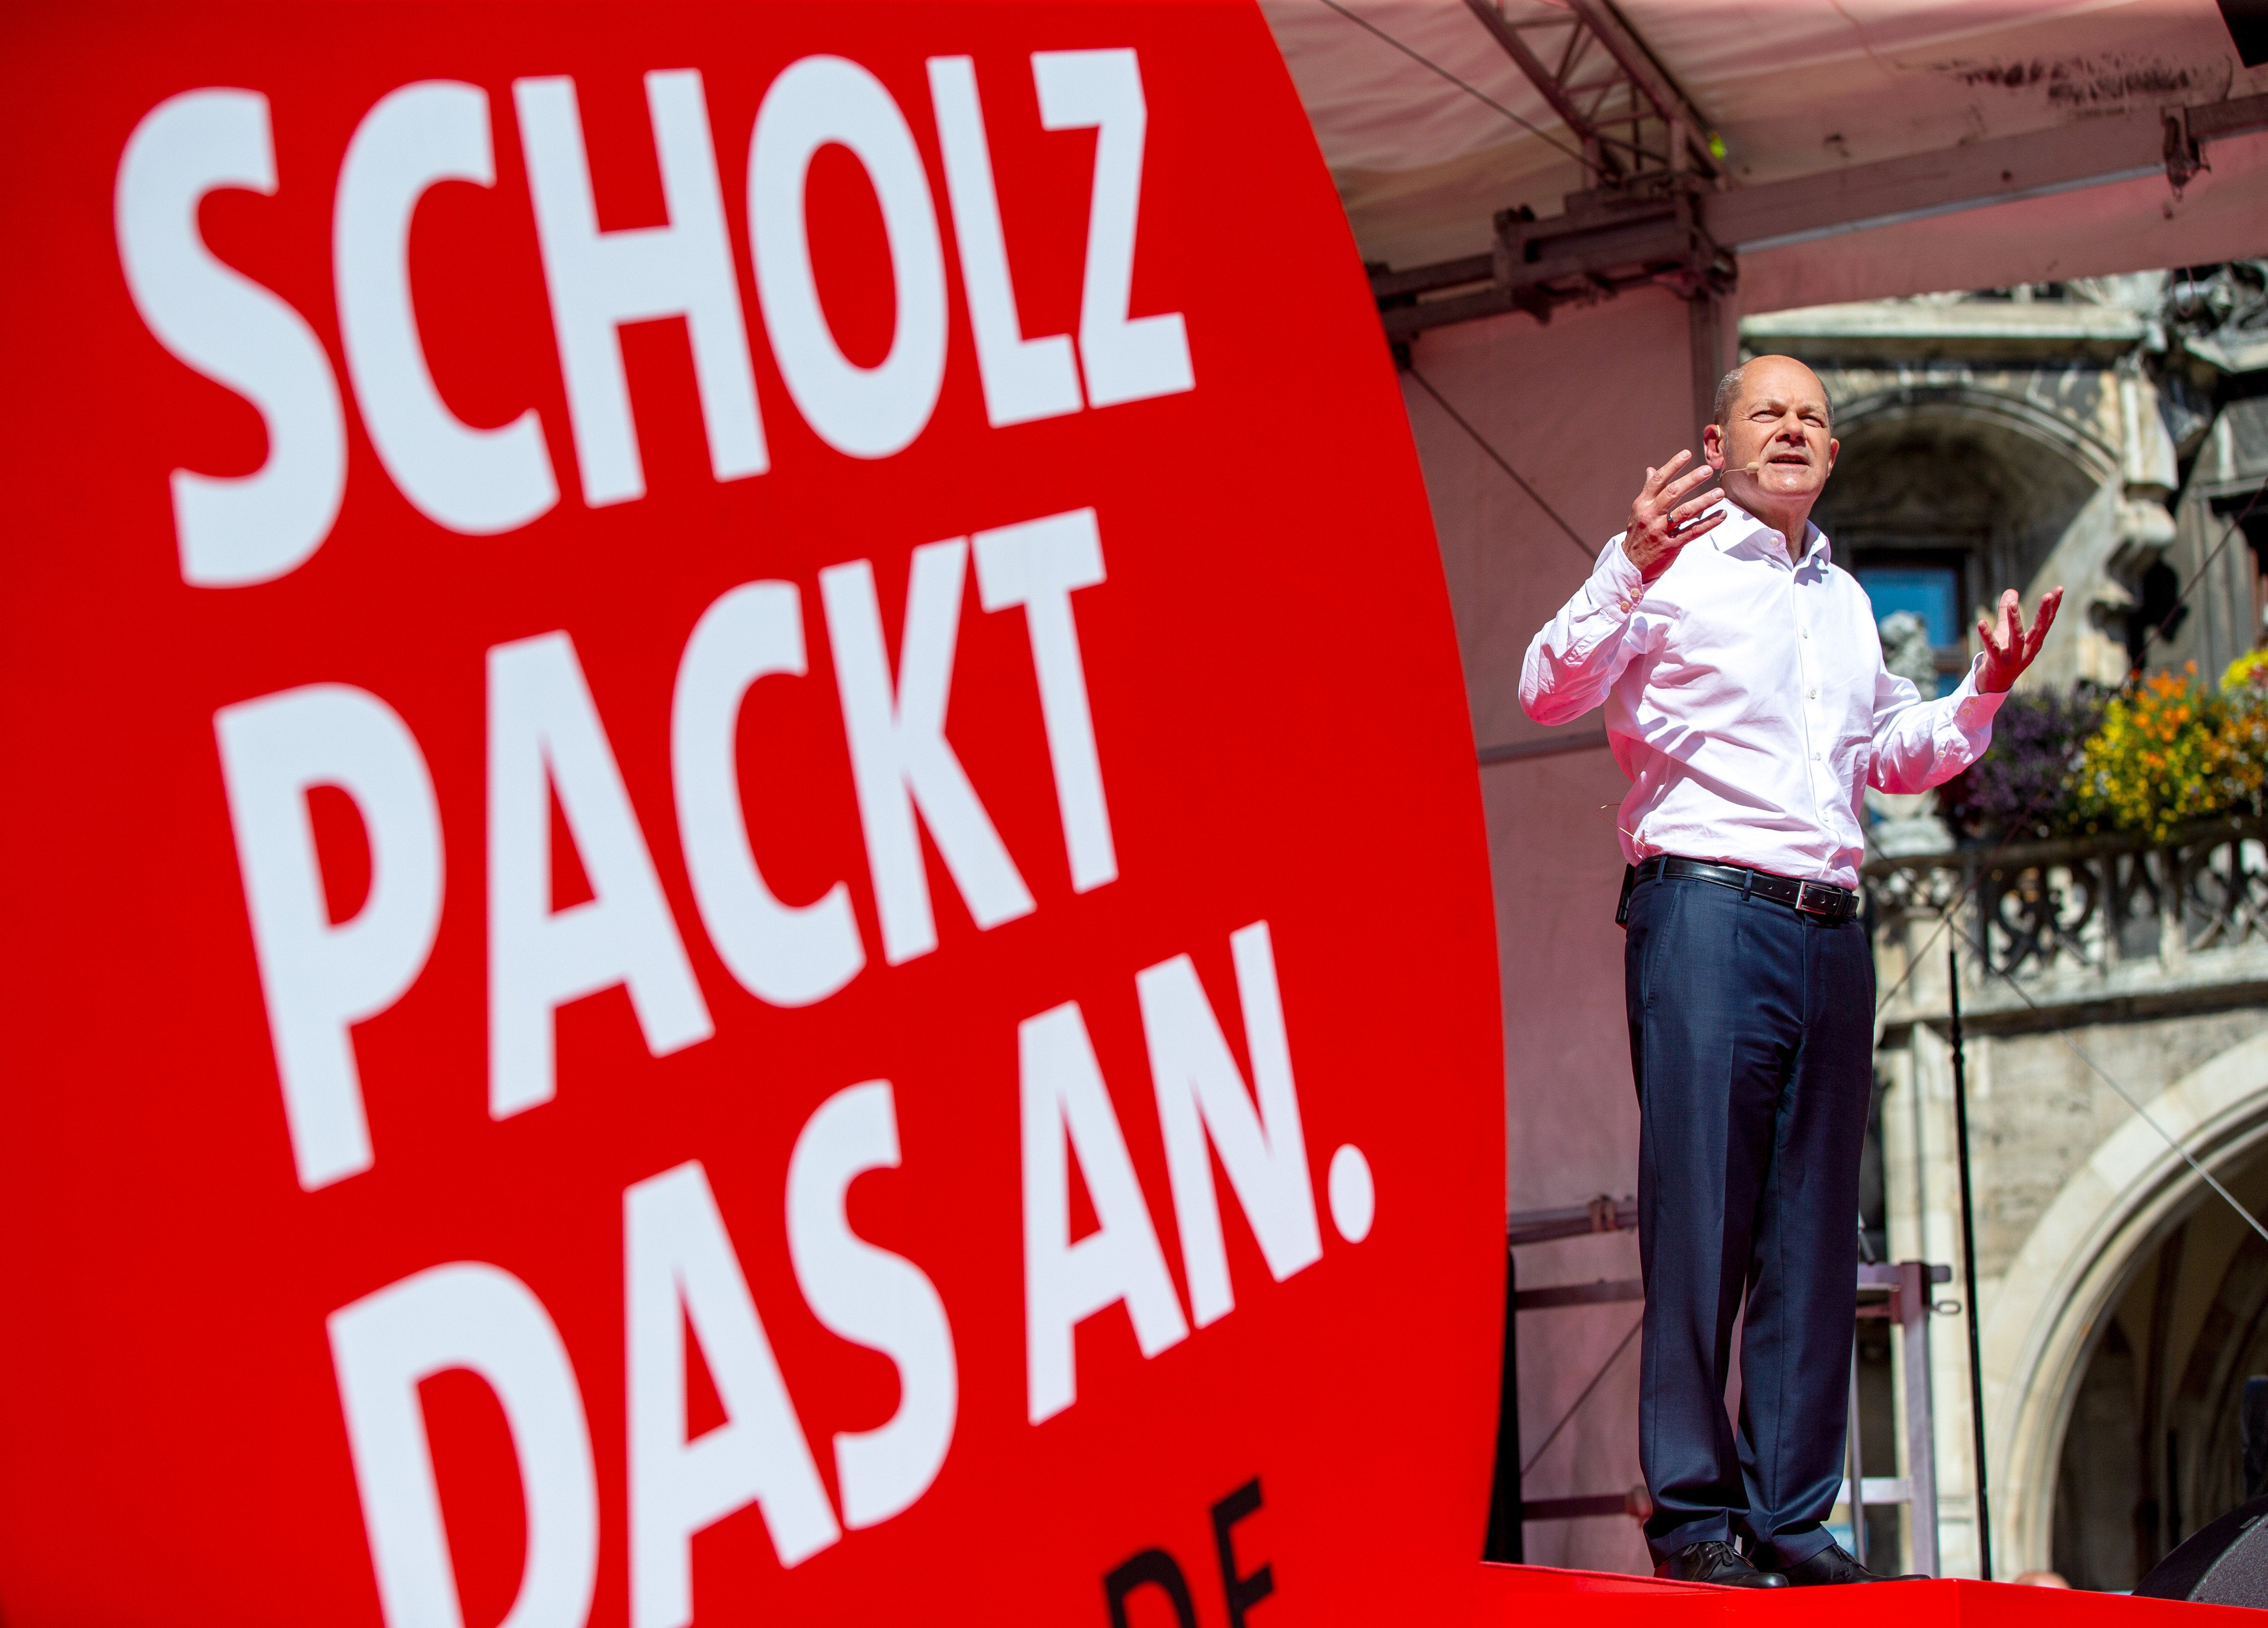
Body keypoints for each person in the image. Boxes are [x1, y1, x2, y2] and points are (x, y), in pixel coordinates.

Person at [1520, 356, 2062, 1587]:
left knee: (1815, 1231)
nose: (1793, 431)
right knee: (1703, 1215)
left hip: (1829, 925)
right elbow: (1547, 688)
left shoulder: (1846, 601)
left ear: (1832, 453)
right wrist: (1624, 560)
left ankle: (1792, 1516)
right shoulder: (1670, 573)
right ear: (1718, 440)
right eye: (1769, 413)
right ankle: (1697, 1518)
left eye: (1813, 418)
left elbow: (1886, 751)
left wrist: (1980, 692)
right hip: (1705, 911)